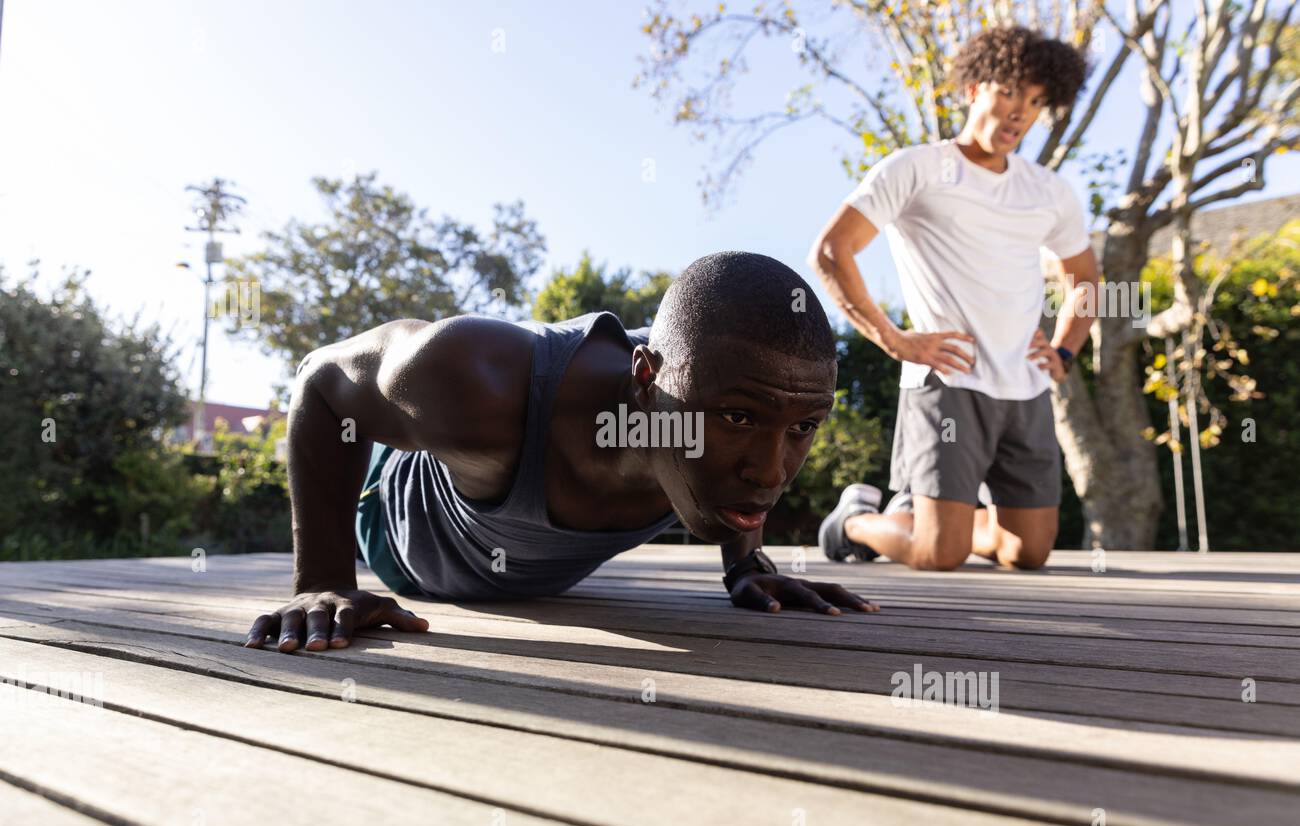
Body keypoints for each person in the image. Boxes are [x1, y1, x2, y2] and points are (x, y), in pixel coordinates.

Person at [245, 251, 880, 653]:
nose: (771, 472)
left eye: (804, 428)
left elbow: (760, 419)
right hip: (400, 517)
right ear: (645, 381)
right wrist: (323, 582)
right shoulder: (475, 382)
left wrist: (747, 561)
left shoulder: (708, 401)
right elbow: (319, 380)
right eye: (739, 417)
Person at [808, 25, 1099, 572]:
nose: (1021, 112)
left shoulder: (1049, 190)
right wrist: (895, 340)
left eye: (1036, 102)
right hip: (949, 381)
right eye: (1010, 92)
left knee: (1027, 553)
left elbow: (1084, 277)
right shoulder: (915, 168)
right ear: (973, 89)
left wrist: (1063, 352)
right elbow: (831, 251)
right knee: (940, 554)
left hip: (1025, 386)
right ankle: (852, 520)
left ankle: (928, 514)